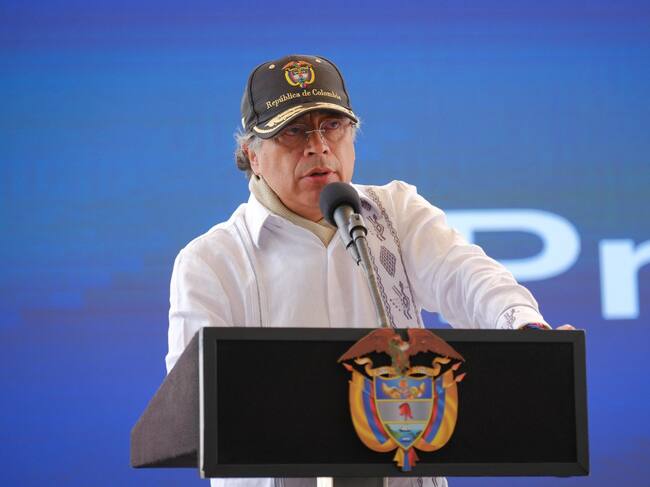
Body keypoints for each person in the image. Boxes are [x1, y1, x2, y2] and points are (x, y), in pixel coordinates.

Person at [165, 54, 572, 487]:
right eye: (293, 131)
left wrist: (524, 328)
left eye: (332, 126)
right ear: (253, 155)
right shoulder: (210, 261)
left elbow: (467, 276)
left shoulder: (396, 212)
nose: (318, 146)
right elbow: (193, 405)